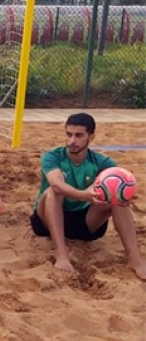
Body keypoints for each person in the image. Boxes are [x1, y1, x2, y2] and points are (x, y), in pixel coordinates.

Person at [30, 113, 146, 280]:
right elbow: (56, 184)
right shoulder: (53, 156)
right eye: (68, 134)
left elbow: (119, 185)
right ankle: (61, 255)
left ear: (91, 137)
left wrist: (126, 195)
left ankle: (134, 260)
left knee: (117, 198)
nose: (72, 140)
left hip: (84, 223)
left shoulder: (102, 162)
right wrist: (84, 195)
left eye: (78, 135)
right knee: (53, 192)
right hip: (46, 221)